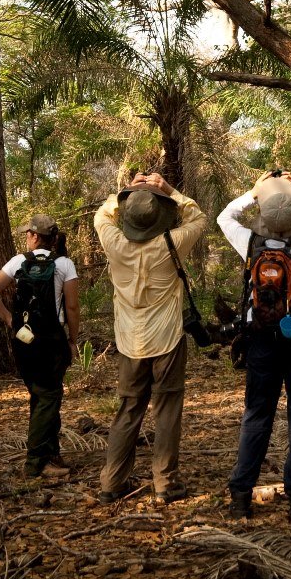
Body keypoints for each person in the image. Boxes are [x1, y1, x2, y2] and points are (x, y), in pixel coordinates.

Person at [219, 171, 291, 524]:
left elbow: (224, 216)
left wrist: (253, 193)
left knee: (257, 416)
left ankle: (240, 497)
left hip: (261, 337)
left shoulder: (250, 242)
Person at [93, 172, 207, 504]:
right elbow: (197, 216)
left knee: (129, 407)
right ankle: (165, 483)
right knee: (167, 408)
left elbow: (102, 214)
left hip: (129, 340)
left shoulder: (114, 243)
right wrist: (164, 188)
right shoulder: (172, 242)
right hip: (167, 336)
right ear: (160, 215)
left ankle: (111, 482)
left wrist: (129, 190)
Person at [0, 214, 80, 478]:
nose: (26, 237)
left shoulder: (18, 262)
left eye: (27, 233)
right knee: (48, 396)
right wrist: (73, 339)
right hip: (52, 340)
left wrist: (10, 321)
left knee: (43, 396)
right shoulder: (65, 264)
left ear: (35, 236)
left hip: (24, 340)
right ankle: (35, 462)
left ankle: (50, 454)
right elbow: (71, 306)